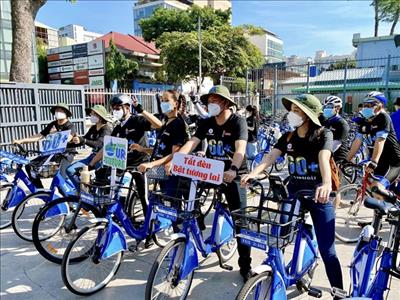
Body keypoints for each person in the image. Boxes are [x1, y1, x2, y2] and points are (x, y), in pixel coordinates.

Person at [241, 94, 344, 290]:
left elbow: (324, 157)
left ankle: (339, 292)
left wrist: (325, 183)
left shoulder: (324, 134)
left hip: (319, 194)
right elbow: (270, 157)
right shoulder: (288, 136)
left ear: (307, 115)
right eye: (292, 110)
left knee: (327, 250)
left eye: (297, 111)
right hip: (294, 192)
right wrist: (252, 174)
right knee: (280, 235)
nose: (292, 114)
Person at [170, 85, 252, 282]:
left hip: (233, 174)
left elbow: (241, 149)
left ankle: (245, 265)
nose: (211, 104)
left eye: (215, 101)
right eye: (209, 101)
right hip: (211, 171)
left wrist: (233, 169)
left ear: (225, 103)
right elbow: (193, 142)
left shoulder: (237, 122)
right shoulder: (206, 122)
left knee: (241, 221)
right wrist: (176, 159)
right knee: (188, 193)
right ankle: (197, 229)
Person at [88, 94, 162, 216]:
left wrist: (141, 110)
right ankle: (120, 215)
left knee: (144, 196)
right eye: (113, 108)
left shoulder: (137, 120)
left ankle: (149, 224)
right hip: (123, 164)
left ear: (127, 108)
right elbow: (107, 147)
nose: (115, 111)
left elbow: (158, 125)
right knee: (112, 188)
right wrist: (92, 163)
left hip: (139, 164)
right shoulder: (118, 127)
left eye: (118, 108)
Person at [135, 90, 189, 197]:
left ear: (176, 104)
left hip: (170, 173)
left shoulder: (179, 124)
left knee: (171, 207)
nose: (163, 103)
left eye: (166, 100)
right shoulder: (166, 123)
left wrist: (151, 164)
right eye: (162, 100)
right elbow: (160, 151)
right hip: (160, 171)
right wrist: (143, 149)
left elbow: (175, 154)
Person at [13, 103, 76, 189]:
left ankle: (70, 199)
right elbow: (40, 135)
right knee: (30, 166)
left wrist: (55, 134)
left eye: (61, 111)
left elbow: (67, 139)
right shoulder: (53, 124)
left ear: (66, 114)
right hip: (52, 153)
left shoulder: (70, 126)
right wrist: (22, 141)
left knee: (60, 179)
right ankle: (41, 191)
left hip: (66, 154)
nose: (58, 112)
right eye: (57, 110)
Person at [347, 92, 400, 184]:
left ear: (380, 105)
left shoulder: (383, 117)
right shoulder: (365, 120)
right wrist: (346, 160)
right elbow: (357, 141)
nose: (366, 107)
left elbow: (380, 141)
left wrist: (374, 161)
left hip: (393, 163)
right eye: (365, 104)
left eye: (371, 104)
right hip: (379, 161)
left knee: (378, 188)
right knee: (368, 188)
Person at [66, 105, 113, 188]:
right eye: (91, 114)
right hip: (91, 157)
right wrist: (68, 143)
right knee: (70, 170)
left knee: (95, 177)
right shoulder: (93, 128)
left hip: (102, 160)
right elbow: (84, 140)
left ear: (101, 116)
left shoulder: (106, 129)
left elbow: (99, 144)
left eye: (94, 114)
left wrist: (84, 141)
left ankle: (90, 189)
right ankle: (81, 190)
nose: (91, 116)